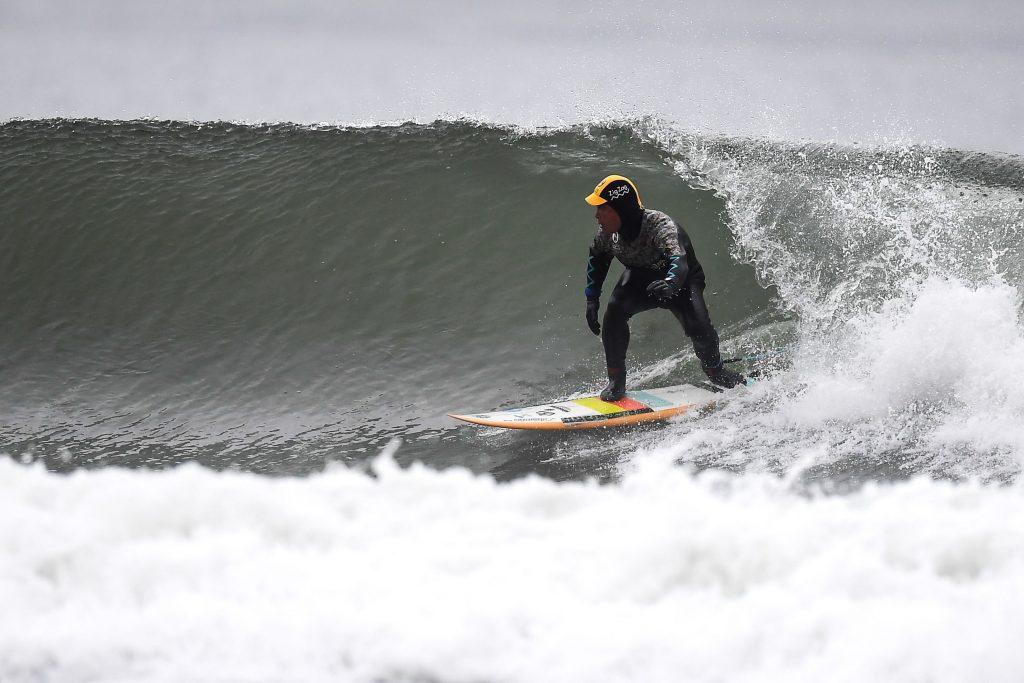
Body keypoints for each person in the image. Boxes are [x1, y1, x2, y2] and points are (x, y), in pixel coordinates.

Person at [582, 174, 745, 401]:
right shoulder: (609, 235)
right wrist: (592, 299)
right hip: (640, 279)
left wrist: (670, 284)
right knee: (614, 314)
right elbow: (597, 259)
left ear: (621, 208)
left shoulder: (660, 226)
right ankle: (616, 381)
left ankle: (716, 371)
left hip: (682, 281)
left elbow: (679, 261)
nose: (597, 215)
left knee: (699, 328)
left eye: (603, 208)